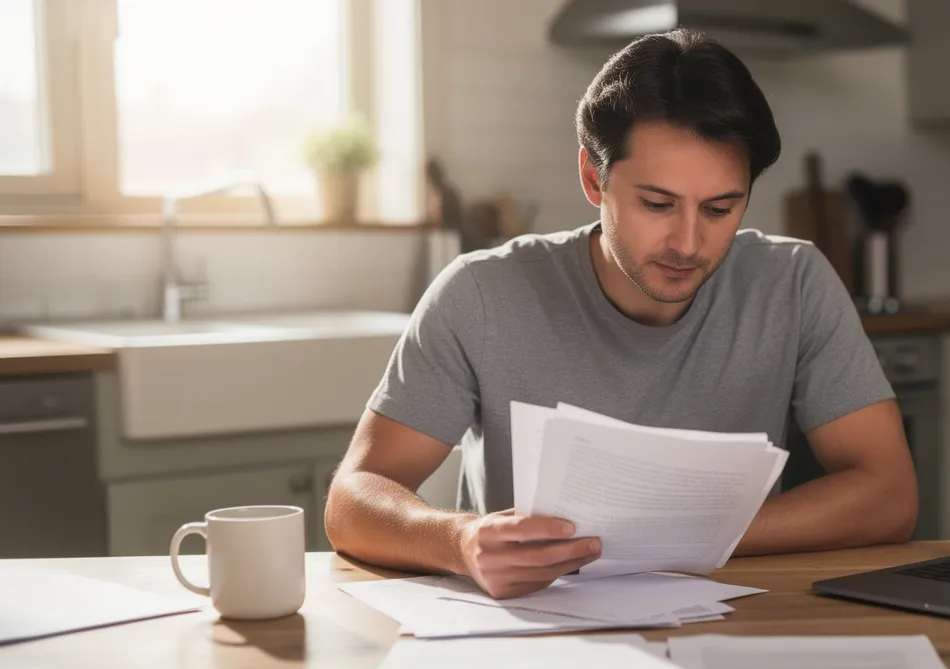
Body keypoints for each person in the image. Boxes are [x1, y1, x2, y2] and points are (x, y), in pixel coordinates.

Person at [326, 28, 917, 598]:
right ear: (593, 177)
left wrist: (685, 542)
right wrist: (459, 540)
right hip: (537, 637)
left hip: (735, 625)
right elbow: (353, 500)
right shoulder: (482, 295)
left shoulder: (793, 283)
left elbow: (889, 494)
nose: (688, 243)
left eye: (720, 208)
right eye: (657, 204)